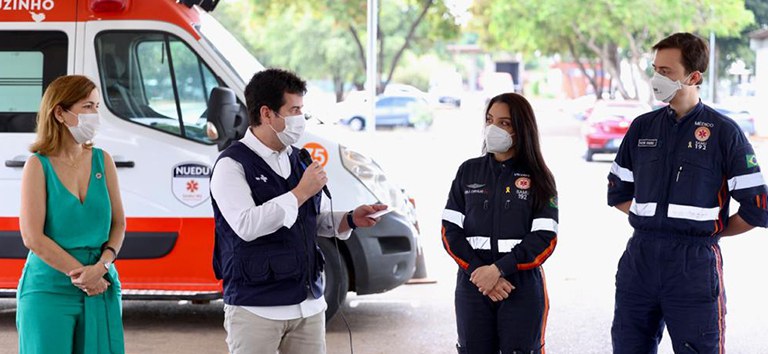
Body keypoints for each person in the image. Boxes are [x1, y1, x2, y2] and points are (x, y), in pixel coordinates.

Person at [607, 32, 768, 353]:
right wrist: (653, 219)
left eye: (666, 71)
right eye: (655, 69)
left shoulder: (724, 132)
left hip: (693, 267)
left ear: (693, 77)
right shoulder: (642, 128)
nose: (656, 78)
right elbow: (619, 192)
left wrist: (711, 232)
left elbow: (758, 206)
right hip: (640, 262)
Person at [210, 68, 387, 354]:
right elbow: (246, 225)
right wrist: (301, 192)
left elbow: (305, 221)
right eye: (294, 110)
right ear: (267, 114)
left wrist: (349, 218)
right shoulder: (231, 165)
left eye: (302, 109)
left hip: (309, 306)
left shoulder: (298, 158)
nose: (300, 119)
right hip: (256, 307)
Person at [442, 92, 559, 353]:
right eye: (490, 120)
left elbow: (545, 238)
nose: (494, 128)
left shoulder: (540, 178)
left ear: (521, 128)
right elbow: (450, 230)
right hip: (473, 286)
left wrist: (497, 271)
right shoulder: (468, 171)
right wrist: (480, 272)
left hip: (521, 288)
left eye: (504, 123)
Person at [17, 75, 126, 353]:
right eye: (87, 106)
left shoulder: (104, 160)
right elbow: (33, 237)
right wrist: (82, 276)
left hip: (100, 284)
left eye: (97, 107)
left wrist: (101, 267)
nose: (95, 115)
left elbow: (118, 223)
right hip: (48, 290)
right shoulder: (37, 166)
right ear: (60, 113)